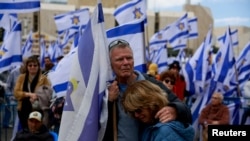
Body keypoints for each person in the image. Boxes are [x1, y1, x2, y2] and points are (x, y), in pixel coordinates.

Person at [103, 39, 192, 141]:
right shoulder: (107, 90)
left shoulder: (150, 83)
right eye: (119, 59)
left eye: (129, 58)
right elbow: (100, 128)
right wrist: (109, 102)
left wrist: (175, 110)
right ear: (110, 64)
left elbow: (186, 110)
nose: (126, 62)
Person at [122, 80, 195, 141]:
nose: (136, 115)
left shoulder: (165, 131)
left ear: (151, 103)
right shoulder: (149, 126)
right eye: (132, 112)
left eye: (138, 110)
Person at [14, 56, 51, 130]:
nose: (32, 67)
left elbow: (48, 93)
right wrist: (28, 94)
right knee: (25, 131)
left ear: (38, 66)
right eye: (30, 65)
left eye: (35, 65)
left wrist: (37, 97)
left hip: (38, 109)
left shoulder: (43, 78)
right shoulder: (21, 77)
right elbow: (16, 93)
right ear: (27, 66)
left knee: (37, 131)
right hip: (23, 109)